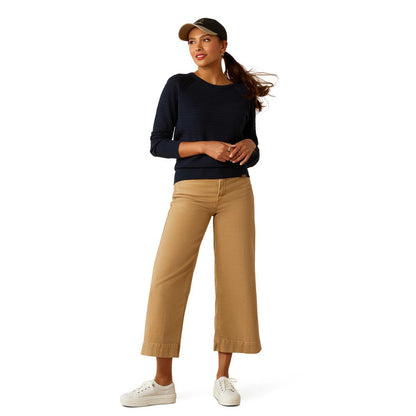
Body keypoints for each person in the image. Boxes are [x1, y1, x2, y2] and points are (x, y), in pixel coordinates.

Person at [120, 17, 277, 408]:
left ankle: (223, 377)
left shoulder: (242, 92)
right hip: (190, 190)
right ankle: (163, 381)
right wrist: (204, 146)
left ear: (223, 45)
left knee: (236, 279)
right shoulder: (179, 86)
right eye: (191, 41)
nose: (197, 47)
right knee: (167, 277)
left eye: (205, 40)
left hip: (237, 191)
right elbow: (158, 143)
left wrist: (248, 146)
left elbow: (254, 148)